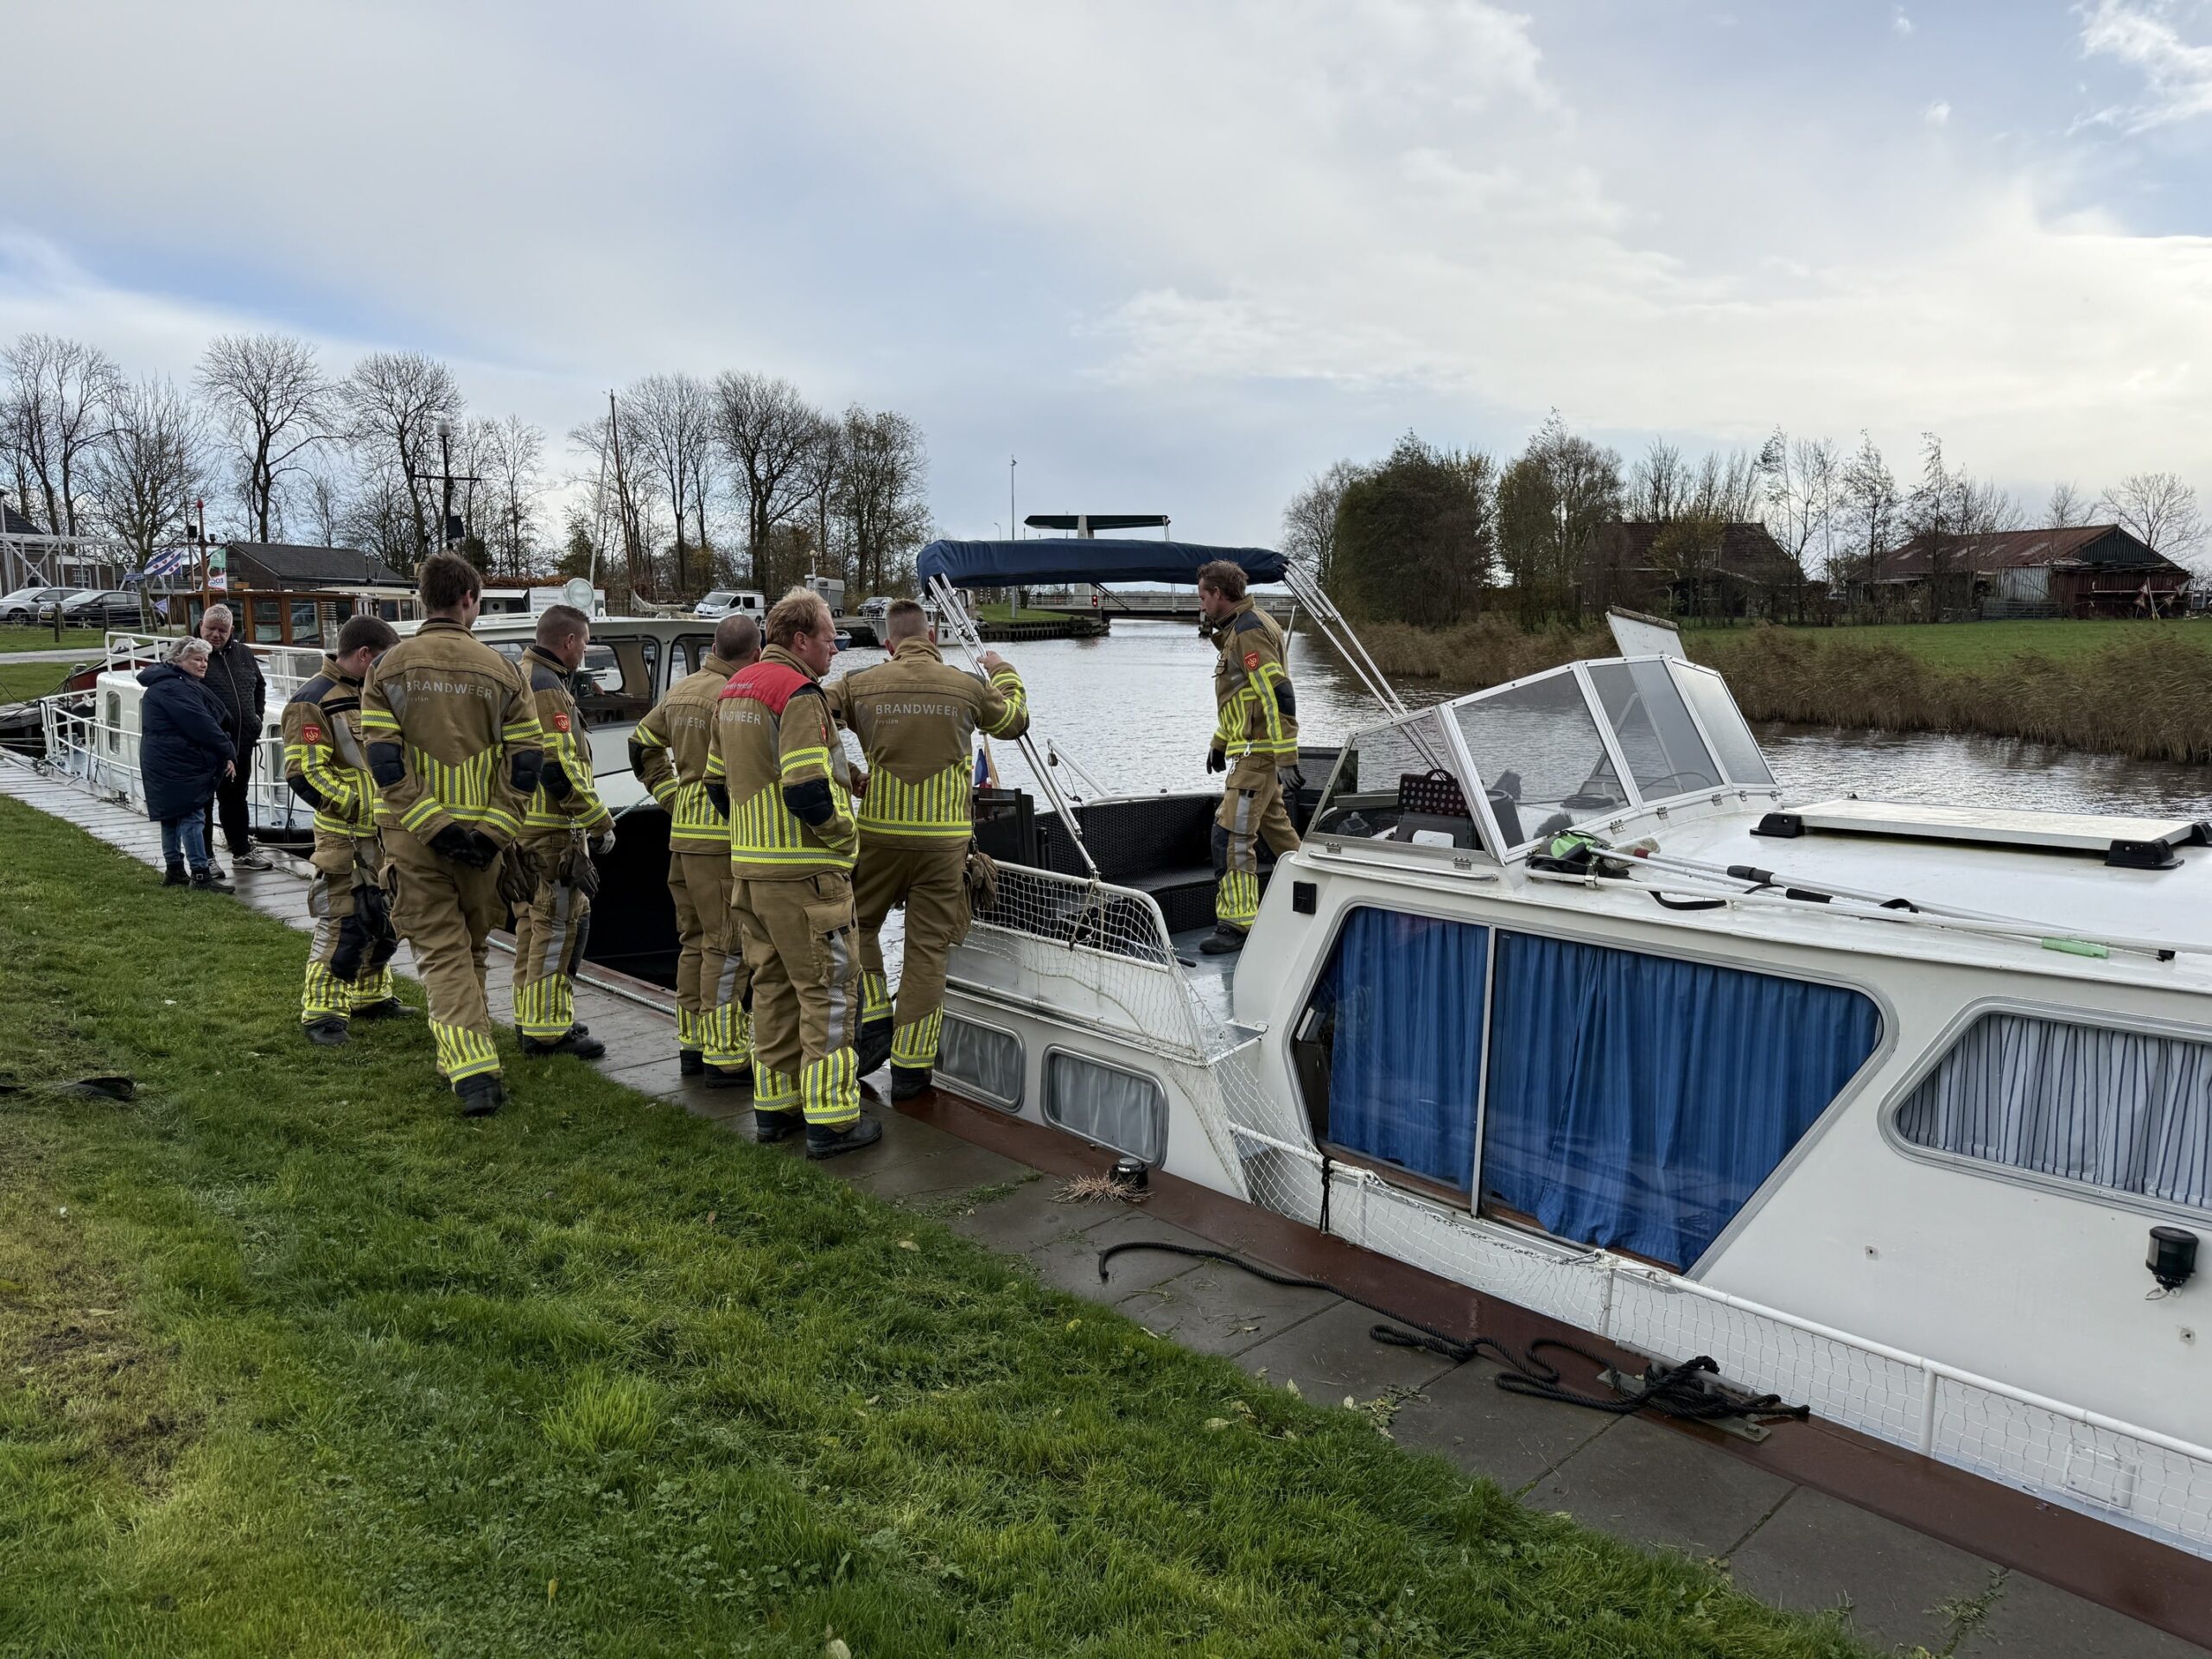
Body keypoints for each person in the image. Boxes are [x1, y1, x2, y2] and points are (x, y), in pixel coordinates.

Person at [360, 552, 544, 1116]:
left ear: (423, 599)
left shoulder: (387, 669)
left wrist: (431, 827)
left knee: (441, 953)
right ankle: (472, 1049)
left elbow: (385, 760)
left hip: (417, 840)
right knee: (473, 945)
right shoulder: (504, 669)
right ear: (469, 599)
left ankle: (472, 1071)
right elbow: (529, 759)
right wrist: (496, 829)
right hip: (485, 841)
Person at [825, 600, 1027, 1100]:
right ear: (932, 637)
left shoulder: (858, 684)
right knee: (926, 951)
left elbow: (810, 715)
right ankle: (912, 1072)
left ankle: (872, 1011)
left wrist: (849, 777)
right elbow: (1016, 721)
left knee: (859, 925)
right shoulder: (965, 686)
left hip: (879, 837)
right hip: (943, 845)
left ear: (888, 643)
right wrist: (1004, 671)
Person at [707, 587, 874, 1155]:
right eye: (829, 640)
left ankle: (775, 1112)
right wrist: (845, 837)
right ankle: (832, 1121)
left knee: (772, 988)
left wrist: (755, 836)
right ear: (801, 639)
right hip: (806, 876)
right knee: (827, 992)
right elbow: (805, 788)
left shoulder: (734, 689)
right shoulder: (800, 694)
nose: (834, 650)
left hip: (750, 873)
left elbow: (712, 782)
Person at [630, 612, 760, 1084]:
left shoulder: (681, 690)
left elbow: (640, 744)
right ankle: (724, 1055)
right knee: (728, 947)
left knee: (693, 943)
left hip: (682, 837)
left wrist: (668, 795)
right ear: (755, 653)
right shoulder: (736, 695)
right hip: (722, 839)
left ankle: (692, 1043)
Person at [283, 613, 408, 1045]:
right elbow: (305, 774)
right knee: (344, 921)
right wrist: (358, 808)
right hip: (346, 834)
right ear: (364, 655)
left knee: (387, 916)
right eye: (385, 659)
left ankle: (371, 995)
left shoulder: (373, 693)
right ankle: (322, 1012)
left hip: (385, 831)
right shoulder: (311, 700)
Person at [510, 604, 615, 1060]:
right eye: (585, 642)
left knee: (533, 927)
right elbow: (559, 765)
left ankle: (531, 1014)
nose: (585, 650)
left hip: (524, 825)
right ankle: (548, 1029)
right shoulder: (548, 686)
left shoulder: (524, 675)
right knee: (560, 925)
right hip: (552, 830)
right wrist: (598, 819)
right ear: (569, 641)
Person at [1197, 558, 1300, 955]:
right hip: (1255, 754)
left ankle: (1238, 924)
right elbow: (1243, 698)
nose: (1201, 605)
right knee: (1281, 835)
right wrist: (1220, 741)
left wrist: (1286, 754)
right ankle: (1316, 895)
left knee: (1230, 837)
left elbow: (1277, 694)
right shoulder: (1246, 626)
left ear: (1219, 595)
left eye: (1203, 597)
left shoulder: (1247, 632)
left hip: (1259, 756)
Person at [138, 637, 237, 893]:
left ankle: (175, 871)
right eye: (197, 659)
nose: (204, 664)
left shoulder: (171, 683)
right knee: (193, 816)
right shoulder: (174, 688)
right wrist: (229, 751)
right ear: (179, 659)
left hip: (167, 760)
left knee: (171, 817)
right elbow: (200, 723)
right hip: (179, 763)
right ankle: (201, 875)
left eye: (205, 659)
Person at [197, 604, 271, 874]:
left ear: (231, 631)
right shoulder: (193, 654)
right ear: (201, 625)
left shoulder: (243, 654)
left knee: (236, 799)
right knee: (202, 803)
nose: (215, 635)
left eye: (222, 630)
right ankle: (204, 858)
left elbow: (259, 686)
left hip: (241, 744)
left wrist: (257, 719)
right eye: (211, 629)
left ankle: (241, 851)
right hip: (207, 748)